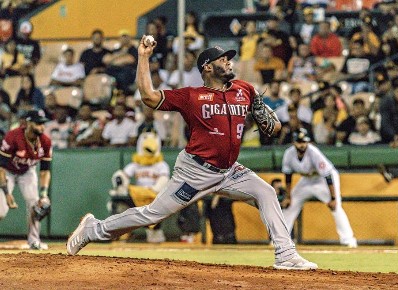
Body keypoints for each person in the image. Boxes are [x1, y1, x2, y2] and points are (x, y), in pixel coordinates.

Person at [67, 37, 318, 270]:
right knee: (153, 214)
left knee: (266, 192)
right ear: (207, 67)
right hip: (195, 171)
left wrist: (270, 121)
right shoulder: (192, 96)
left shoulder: (244, 90)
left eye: (228, 58)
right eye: (222, 59)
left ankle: (285, 254)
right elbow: (148, 96)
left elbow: (275, 127)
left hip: (230, 170)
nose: (229, 62)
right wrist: (143, 57)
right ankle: (94, 229)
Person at [281, 128, 357, 248]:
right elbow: (288, 176)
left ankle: (348, 240)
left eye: (304, 142)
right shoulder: (289, 154)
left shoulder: (313, 152)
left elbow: (327, 175)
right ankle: (281, 240)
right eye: (299, 142)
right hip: (306, 180)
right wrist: (288, 196)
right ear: (294, 142)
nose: (302, 145)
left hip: (324, 180)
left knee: (336, 206)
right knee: (290, 206)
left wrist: (333, 198)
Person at [0, 109, 52, 250]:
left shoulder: (45, 141)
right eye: (38, 123)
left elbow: (45, 171)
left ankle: (34, 241)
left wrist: (44, 193)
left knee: (35, 205)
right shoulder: (13, 136)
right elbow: (1, 169)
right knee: (1, 211)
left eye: (43, 123)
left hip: (27, 172)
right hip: (8, 172)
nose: (42, 126)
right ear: (29, 123)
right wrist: (7, 193)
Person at [109, 132, 169, 243]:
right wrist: (119, 180)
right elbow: (122, 175)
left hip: (153, 196)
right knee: (119, 202)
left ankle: (155, 237)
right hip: (137, 196)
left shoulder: (161, 165)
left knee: (158, 208)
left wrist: (154, 189)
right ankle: (123, 233)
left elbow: (163, 180)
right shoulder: (136, 165)